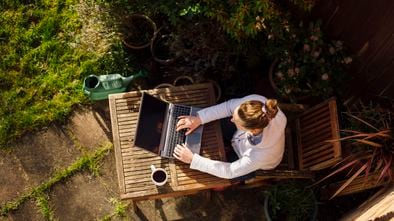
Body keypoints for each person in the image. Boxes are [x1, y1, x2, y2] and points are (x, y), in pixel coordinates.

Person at [173, 94, 287, 179]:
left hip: (252, 162)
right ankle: (229, 144)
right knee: (217, 124)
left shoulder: (259, 156)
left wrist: (193, 160)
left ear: (252, 130)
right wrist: (199, 119)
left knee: (214, 177)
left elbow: (230, 171)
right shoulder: (257, 105)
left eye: (236, 121)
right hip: (240, 139)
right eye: (234, 115)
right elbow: (228, 107)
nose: (231, 119)